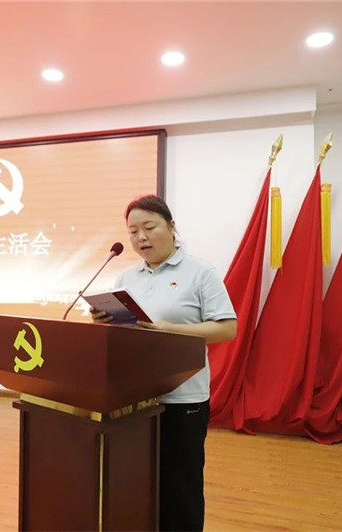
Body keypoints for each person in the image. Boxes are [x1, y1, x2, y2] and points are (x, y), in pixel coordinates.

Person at [91, 194, 237, 531]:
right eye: (133, 232)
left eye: (149, 227)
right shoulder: (127, 277)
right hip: (135, 398)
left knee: (180, 485)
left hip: (182, 397)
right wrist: (105, 321)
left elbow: (227, 328)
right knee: (140, 480)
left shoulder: (200, 272)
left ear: (172, 227)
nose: (141, 238)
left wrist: (170, 329)